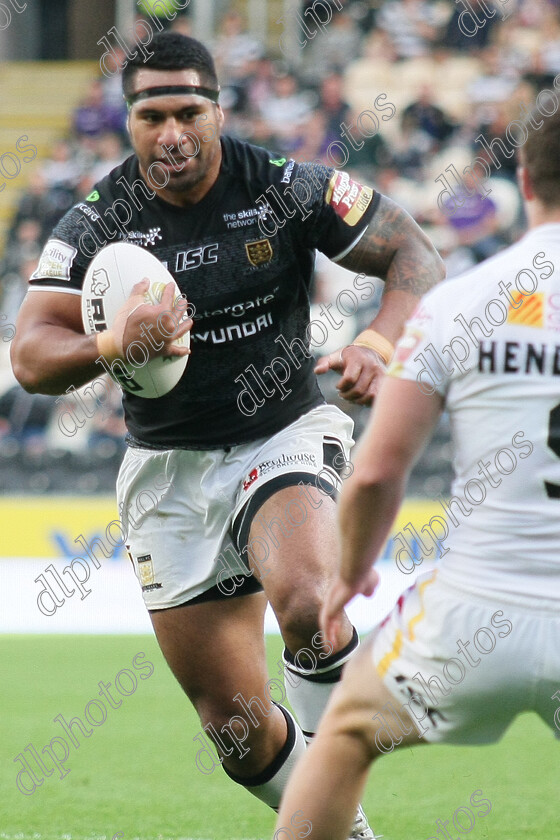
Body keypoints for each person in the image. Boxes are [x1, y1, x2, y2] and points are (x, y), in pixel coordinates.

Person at [11, 33, 444, 838]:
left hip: (281, 433)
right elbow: (31, 355)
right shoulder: (96, 219)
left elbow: (416, 258)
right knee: (239, 736)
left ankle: (326, 780)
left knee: (311, 606)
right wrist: (112, 347)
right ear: (128, 121)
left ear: (218, 110)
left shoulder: (284, 187)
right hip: (166, 470)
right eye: (151, 115)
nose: (171, 132)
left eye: (188, 111)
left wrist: (378, 346)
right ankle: (342, 827)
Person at [274, 105, 560, 839]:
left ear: (525, 181)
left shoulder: (460, 302)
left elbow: (374, 474)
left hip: (473, 611)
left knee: (342, 737)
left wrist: (352, 575)